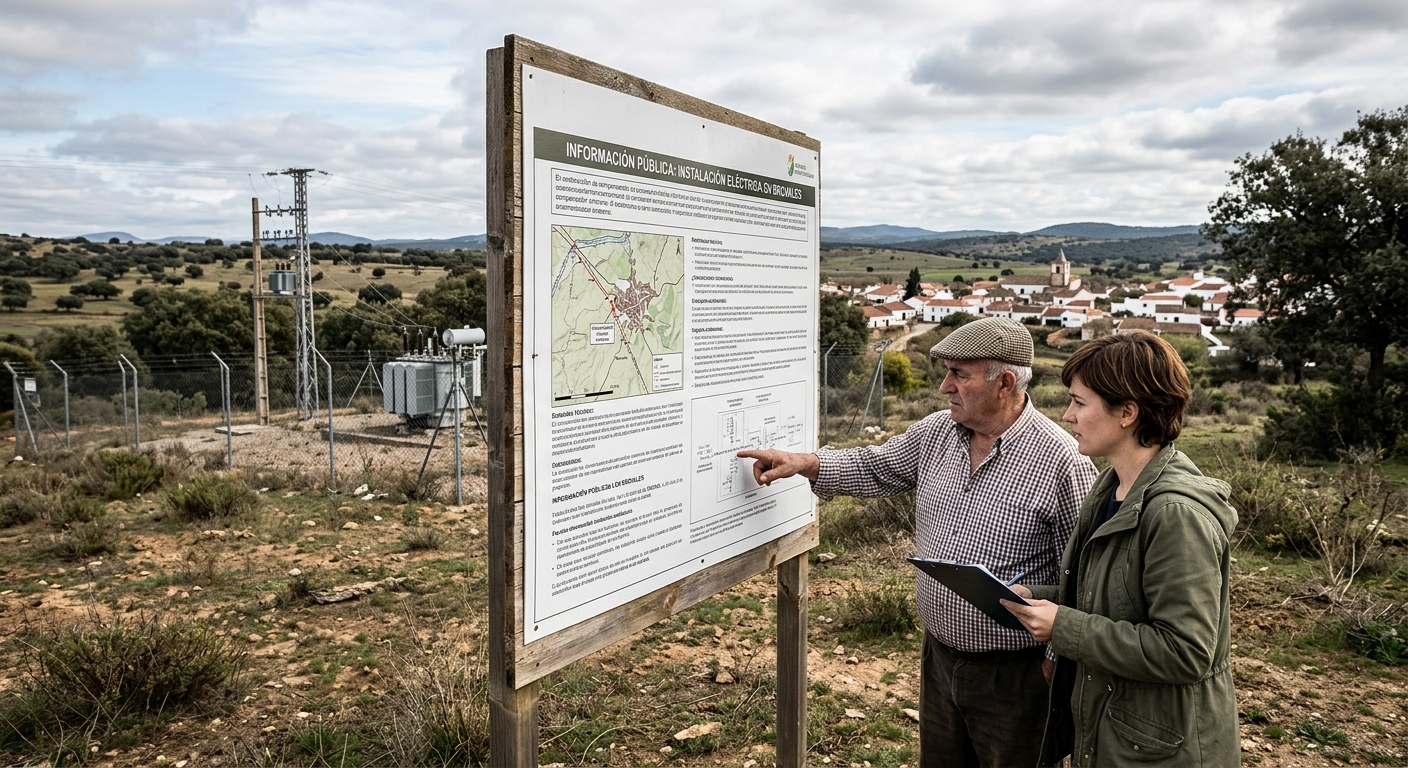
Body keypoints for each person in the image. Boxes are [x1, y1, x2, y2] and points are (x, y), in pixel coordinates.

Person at [739, 318, 1096, 768]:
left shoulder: (1063, 462)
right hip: (939, 661)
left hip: (1017, 678)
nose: (945, 386)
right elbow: (873, 467)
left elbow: (1083, 577)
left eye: (959, 375)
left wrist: (1053, 662)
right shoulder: (935, 433)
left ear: (1004, 383)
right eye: (946, 372)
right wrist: (802, 462)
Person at [1001, 330, 1239, 767]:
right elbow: (1119, 602)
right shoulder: (1111, 487)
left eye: (1079, 402)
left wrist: (1063, 627)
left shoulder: (1174, 514)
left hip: (1162, 748)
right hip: (1121, 735)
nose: (1068, 415)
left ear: (1127, 412)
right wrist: (1040, 599)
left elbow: (1185, 651)